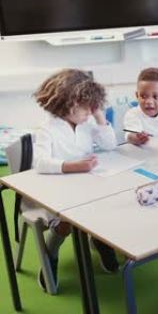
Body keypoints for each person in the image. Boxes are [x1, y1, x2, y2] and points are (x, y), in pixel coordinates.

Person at [31, 69, 120, 292]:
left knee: (108, 205)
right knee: (66, 223)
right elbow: (40, 163)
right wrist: (73, 167)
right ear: (66, 104)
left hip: (87, 185)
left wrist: (100, 117)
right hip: (56, 190)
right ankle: (50, 254)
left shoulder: (88, 122)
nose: (90, 112)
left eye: (93, 106)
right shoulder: (46, 129)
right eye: (86, 107)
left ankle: (99, 239)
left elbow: (110, 145)